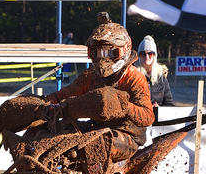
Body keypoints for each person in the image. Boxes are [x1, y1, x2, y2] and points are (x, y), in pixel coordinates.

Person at [44, 15, 154, 161]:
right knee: (61, 134)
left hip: (128, 134)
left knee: (96, 144)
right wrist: (44, 103)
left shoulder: (133, 78)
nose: (103, 59)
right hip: (97, 128)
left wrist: (125, 107)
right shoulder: (90, 75)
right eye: (96, 53)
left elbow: (148, 116)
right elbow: (66, 93)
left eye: (110, 53)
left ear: (124, 50)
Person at [135, 35, 174, 174]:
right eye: (143, 54)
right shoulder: (133, 75)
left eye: (150, 53)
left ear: (155, 55)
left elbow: (170, 104)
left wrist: (160, 109)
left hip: (155, 130)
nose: (147, 57)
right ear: (138, 55)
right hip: (137, 130)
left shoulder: (161, 77)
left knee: (150, 169)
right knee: (136, 167)